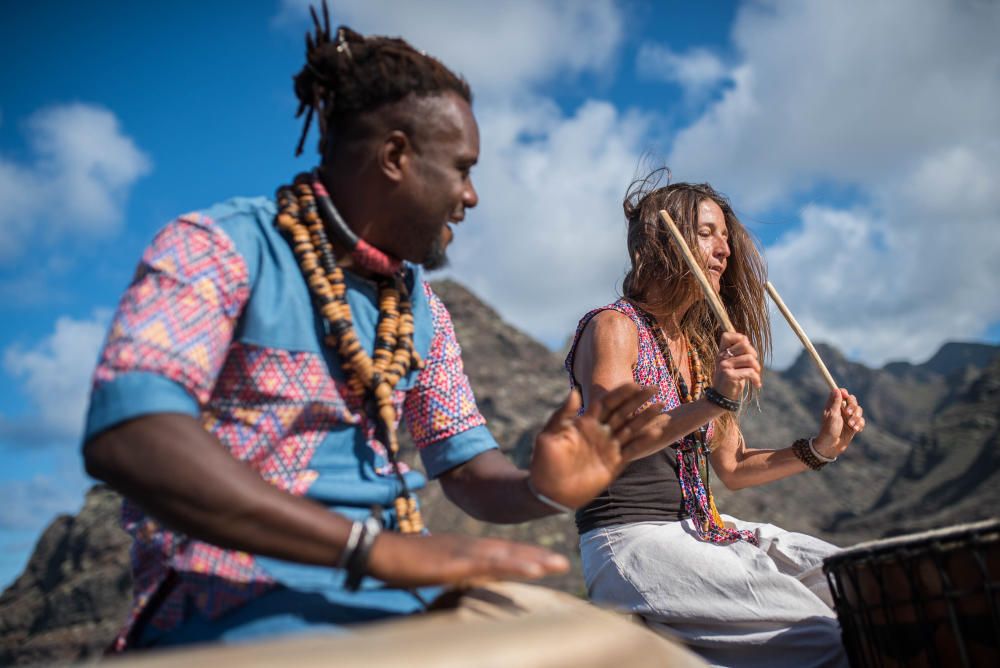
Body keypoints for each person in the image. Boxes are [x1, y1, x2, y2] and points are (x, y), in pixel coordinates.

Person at [82, 13, 664, 652]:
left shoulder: (423, 310)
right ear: (395, 156)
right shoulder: (218, 250)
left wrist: (541, 490)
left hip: (393, 593)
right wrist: (370, 550)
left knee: (614, 651)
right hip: (229, 601)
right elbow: (131, 438)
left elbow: (467, 470)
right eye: (462, 168)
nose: (470, 196)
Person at [565, 173, 867, 668]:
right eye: (706, 233)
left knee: (863, 591)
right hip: (632, 540)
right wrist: (714, 401)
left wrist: (821, 447)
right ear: (662, 243)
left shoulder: (702, 350)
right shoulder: (614, 327)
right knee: (827, 643)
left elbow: (734, 467)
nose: (724, 249)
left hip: (704, 528)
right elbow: (613, 439)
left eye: (725, 235)